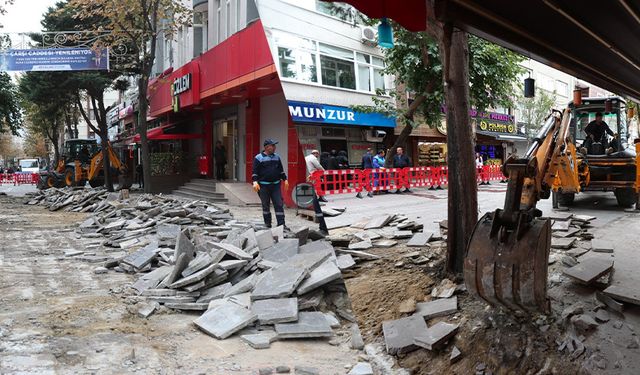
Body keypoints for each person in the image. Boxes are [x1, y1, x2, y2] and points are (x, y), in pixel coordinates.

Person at [252, 139, 289, 228]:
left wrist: (285, 179)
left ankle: (281, 224)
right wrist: (255, 181)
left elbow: (281, 170)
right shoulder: (258, 158)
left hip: (275, 185)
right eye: (273, 146)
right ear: (267, 147)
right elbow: (255, 172)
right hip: (263, 186)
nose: (275, 147)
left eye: (274, 145)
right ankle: (267, 224)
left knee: (279, 204)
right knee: (266, 205)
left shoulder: (277, 157)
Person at [304, 150, 329, 235]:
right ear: (315, 154)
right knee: (317, 196)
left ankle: (320, 198)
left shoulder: (306, 158)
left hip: (309, 179)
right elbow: (319, 167)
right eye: (317, 154)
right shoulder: (313, 158)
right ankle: (323, 227)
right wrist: (324, 172)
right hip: (314, 178)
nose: (317, 155)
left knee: (316, 196)